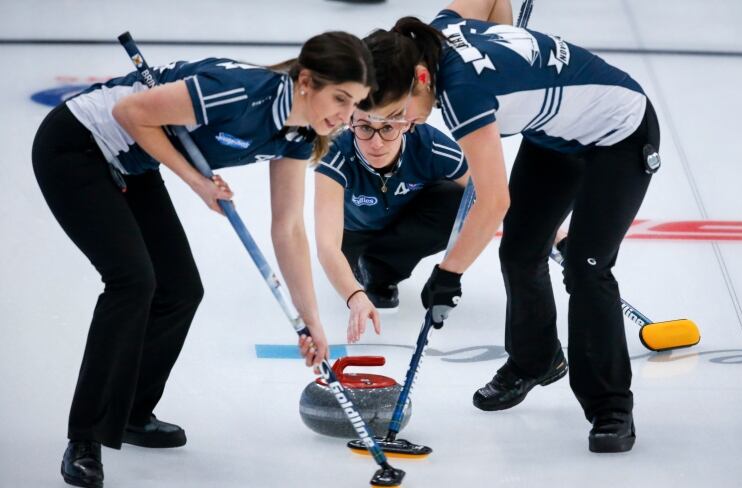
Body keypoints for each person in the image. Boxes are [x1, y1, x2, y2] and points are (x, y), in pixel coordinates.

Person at [31, 32, 374, 488]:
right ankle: (85, 438)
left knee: (180, 289)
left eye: (356, 105)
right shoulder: (238, 90)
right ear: (307, 81)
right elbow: (129, 112)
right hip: (78, 146)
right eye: (341, 98)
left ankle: (130, 413)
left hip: (133, 162)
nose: (346, 116)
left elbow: (287, 228)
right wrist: (197, 182)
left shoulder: (299, 132)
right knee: (132, 281)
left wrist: (311, 322)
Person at [359, 0, 662, 453]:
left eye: (398, 113)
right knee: (521, 250)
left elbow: (493, 200)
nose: (402, 125)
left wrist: (448, 274)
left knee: (586, 264)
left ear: (421, 77)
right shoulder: (437, 32)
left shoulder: (461, 93)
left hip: (619, 133)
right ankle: (535, 360)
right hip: (555, 134)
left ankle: (610, 406)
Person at [315, 109, 468, 342]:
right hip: (355, 235)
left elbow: (491, 198)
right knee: (347, 252)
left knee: (461, 200)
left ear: (406, 124)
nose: (376, 143)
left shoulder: (432, 146)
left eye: (387, 128)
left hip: (408, 221)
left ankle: (382, 268)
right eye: (365, 128)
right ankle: (368, 269)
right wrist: (355, 296)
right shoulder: (334, 153)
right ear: (350, 122)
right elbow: (327, 245)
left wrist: (450, 273)